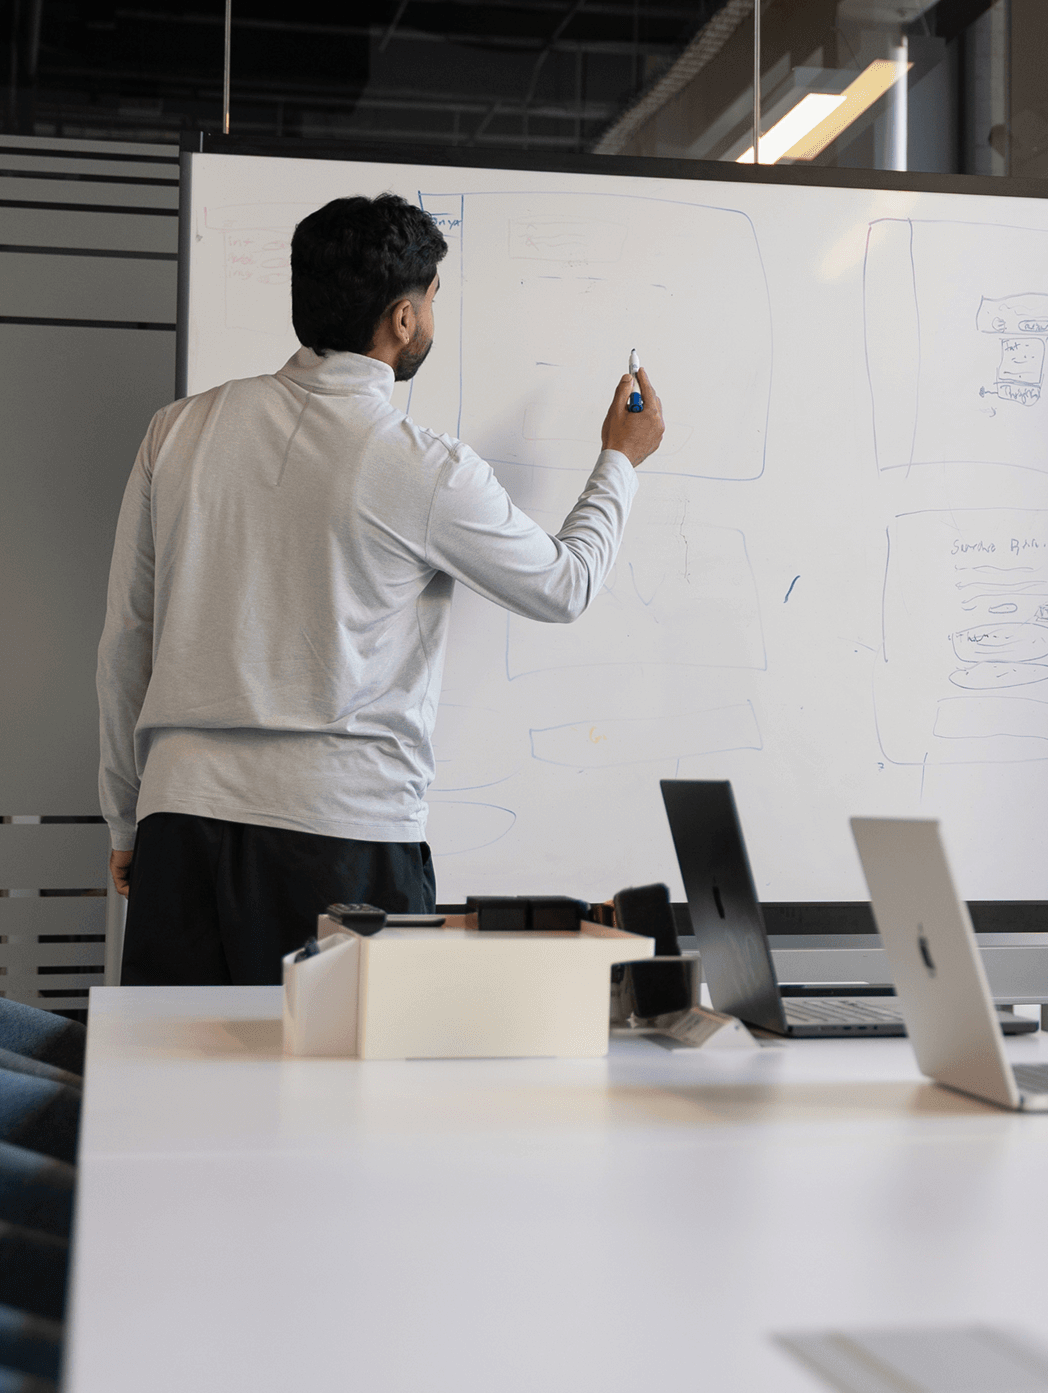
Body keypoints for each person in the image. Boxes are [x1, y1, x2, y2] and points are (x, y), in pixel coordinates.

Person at [97, 193, 664, 984]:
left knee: (171, 1093)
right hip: (341, 840)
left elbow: (129, 636)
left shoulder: (178, 430)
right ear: (402, 318)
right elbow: (564, 585)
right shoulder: (423, 465)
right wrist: (620, 461)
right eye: (433, 297)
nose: (435, 312)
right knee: (338, 1102)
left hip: (178, 824)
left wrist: (128, 816)